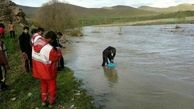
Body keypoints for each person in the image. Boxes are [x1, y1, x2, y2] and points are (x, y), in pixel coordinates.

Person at [32, 30, 61, 108]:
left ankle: (44, 101)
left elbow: (34, 35)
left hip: (38, 71)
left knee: (43, 85)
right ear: (51, 39)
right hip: (48, 72)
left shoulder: (37, 40)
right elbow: (57, 57)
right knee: (52, 86)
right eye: (52, 40)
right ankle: (51, 102)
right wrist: (58, 50)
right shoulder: (50, 49)